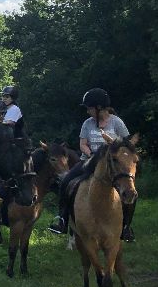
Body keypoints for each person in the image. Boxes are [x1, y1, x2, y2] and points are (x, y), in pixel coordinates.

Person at [47, 87, 136, 241]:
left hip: (112, 164)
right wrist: (92, 155)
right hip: (88, 160)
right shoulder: (87, 123)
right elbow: (83, 144)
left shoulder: (117, 123)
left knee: (131, 190)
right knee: (66, 181)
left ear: (99, 108)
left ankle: (126, 227)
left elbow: (126, 145)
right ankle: (62, 220)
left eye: (89, 108)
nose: (87, 111)